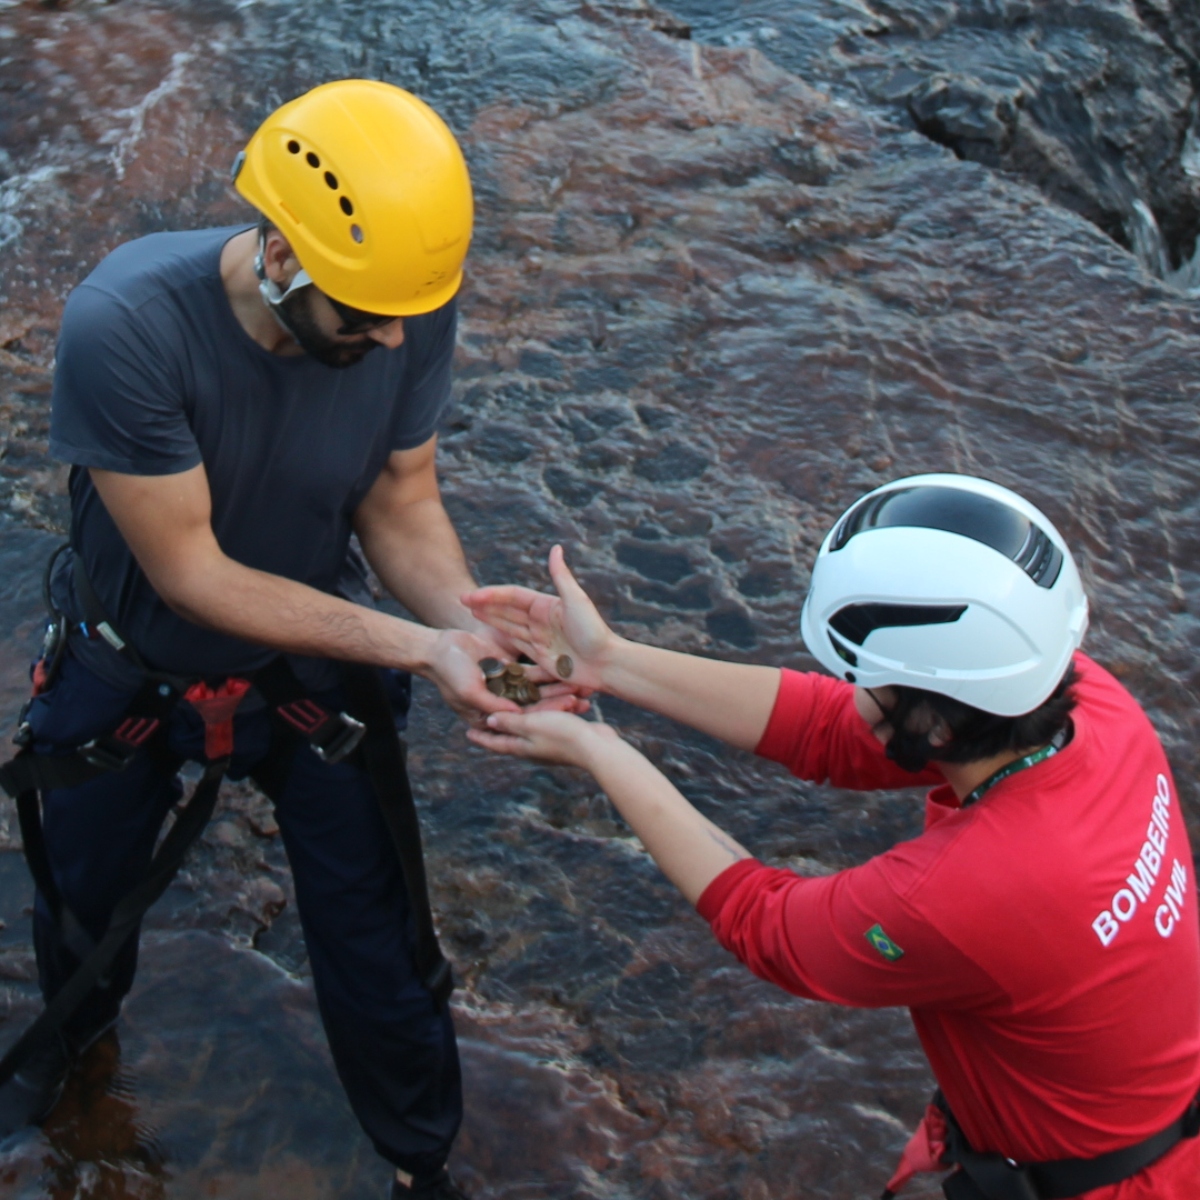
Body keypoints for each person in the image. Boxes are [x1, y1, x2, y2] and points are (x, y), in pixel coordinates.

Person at [4, 79, 578, 1200]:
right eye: (365, 316)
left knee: (377, 939)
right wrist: (414, 649)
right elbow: (194, 572)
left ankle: (421, 1158)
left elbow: (401, 499)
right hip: (133, 662)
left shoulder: (397, 294)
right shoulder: (125, 327)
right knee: (85, 901)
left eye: (408, 309)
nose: (399, 335)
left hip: (313, 667)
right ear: (279, 253)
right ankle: (76, 1067)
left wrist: (469, 620)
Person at [464, 474, 1200, 1200]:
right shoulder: (1085, 703)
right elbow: (828, 733)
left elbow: (766, 923)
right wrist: (611, 663)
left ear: (936, 725)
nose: (851, 691)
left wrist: (601, 751)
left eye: (869, 679)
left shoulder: (967, 889)